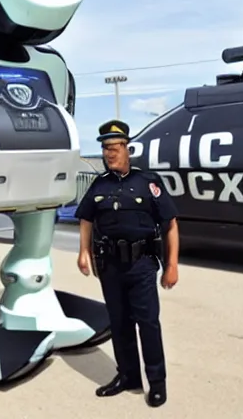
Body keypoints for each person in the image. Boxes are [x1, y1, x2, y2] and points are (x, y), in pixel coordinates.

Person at [76, 119, 180, 408]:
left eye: (115, 147)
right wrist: (83, 251)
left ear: (127, 149)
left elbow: (170, 224)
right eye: (106, 148)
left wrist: (172, 264)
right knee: (119, 324)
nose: (110, 154)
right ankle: (128, 376)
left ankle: (157, 383)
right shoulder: (99, 184)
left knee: (148, 324)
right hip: (110, 266)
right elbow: (86, 219)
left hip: (142, 264)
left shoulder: (148, 183)